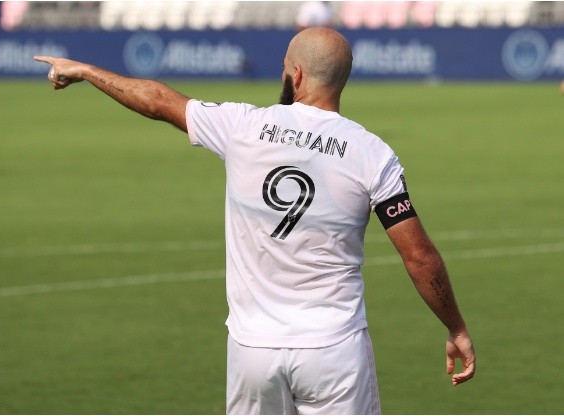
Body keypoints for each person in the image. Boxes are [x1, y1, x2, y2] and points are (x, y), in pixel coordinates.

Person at [34, 27, 476, 414]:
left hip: (252, 351)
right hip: (333, 349)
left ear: (296, 74)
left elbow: (157, 100)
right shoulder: (371, 153)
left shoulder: (242, 126)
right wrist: (455, 326)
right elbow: (419, 257)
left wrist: (88, 71)